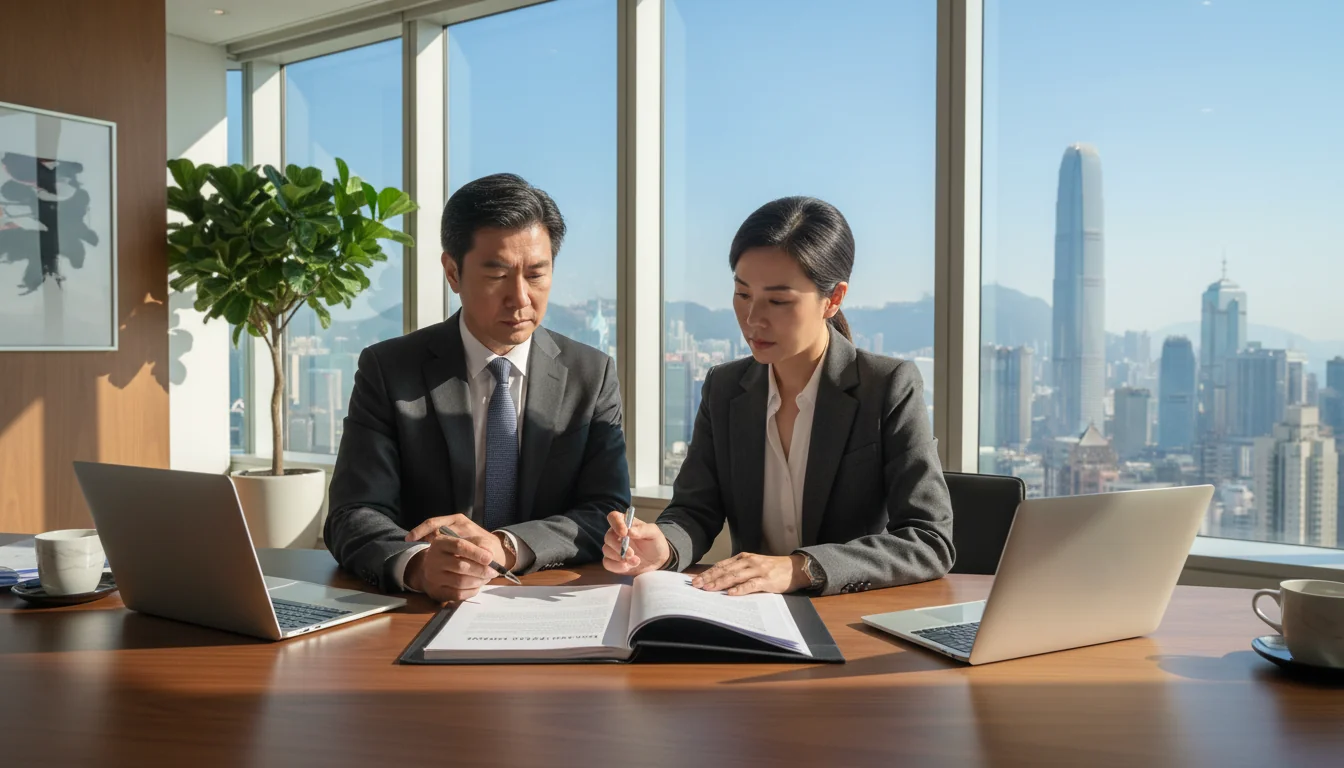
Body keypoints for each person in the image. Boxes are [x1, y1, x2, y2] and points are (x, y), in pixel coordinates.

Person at [603, 196, 954, 597]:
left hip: (846, 621)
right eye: (743, 293)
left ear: (833, 299)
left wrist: (801, 568)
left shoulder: (887, 386)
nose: (753, 319)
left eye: (778, 301)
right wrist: (663, 546)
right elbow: (694, 510)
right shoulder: (724, 388)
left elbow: (929, 540)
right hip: (746, 617)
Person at [326, 173, 630, 602]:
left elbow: (606, 512)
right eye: (498, 275)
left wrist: (505, 546)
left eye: (537, 275)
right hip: (424, 608)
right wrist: (416, 566)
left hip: (545, 602)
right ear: (453, 272)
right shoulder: (390, 369)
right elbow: (352, 513)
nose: (521, 298)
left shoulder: (590, 374)